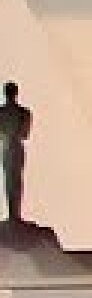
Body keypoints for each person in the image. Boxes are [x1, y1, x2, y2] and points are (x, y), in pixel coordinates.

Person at [0, 81, 32, 221]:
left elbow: (25, 134)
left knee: (12, 179)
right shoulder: (24, 113)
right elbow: (24, 134)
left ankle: (15, 214)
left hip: (10, 146)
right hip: (12, 146)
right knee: (14, 179)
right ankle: (14, 214)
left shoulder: (23, 112)